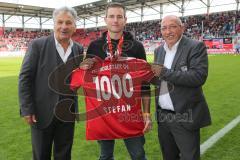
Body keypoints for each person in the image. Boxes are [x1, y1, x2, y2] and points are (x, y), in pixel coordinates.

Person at [83, 2, 152, 160]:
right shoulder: (94, 47)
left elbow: (145, 85)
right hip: (105, 115)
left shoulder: (137, 47)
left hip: (130, 113)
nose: (115, 20)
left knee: (138, 155)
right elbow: (88, 81)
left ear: (125, 20)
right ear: (105, 19)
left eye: (119, 17)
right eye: (112, 16)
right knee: (105, 156)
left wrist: (146, 113)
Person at [18, 6, 83, 160]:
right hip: (41, 112)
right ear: (54, 24)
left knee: (64, 155)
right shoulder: (38, 45)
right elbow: (25, 78)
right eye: (60, 22)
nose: (64, 26)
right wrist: (27, 109)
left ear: (75, 26)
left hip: (67, 113)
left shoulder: (79, 49)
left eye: (68, 22)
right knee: (41, 155)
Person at [151, 15, 211, 160]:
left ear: (182, 28)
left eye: (172, 26)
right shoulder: (159, 51)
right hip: (163, 117)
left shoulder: (195, 46)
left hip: (184, 116)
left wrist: (164, 72)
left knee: (189, 157)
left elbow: (198, 77)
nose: (168, 31)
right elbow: (159, 80)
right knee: (169, 157)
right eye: (164, 28)